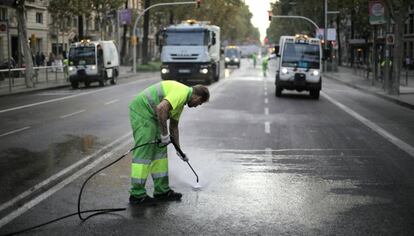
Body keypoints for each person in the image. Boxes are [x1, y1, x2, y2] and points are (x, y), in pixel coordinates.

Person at [128, 80, 210, 204]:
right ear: (197, 97)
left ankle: (162, 191)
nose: (197, 105)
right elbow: (161, 108)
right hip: (142, 112)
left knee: (160, 154)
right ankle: (137, 195)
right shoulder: (182, 92)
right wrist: (164, 134)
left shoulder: (181, 103)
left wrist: (179, 151)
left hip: (153, 116)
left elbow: (174, 127)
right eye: (199, 103)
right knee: (143, 155)